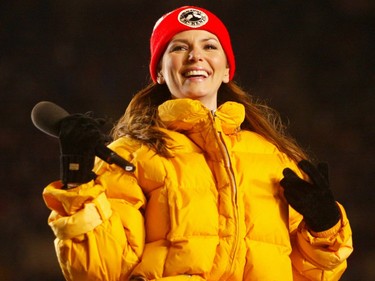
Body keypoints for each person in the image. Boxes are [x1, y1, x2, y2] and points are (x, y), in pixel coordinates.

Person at [42, 6, 353, 281]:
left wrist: (324, 228)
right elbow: (98, 272)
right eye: (179, 47)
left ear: (227, 69)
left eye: (209, 45)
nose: (196, 56)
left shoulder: (274, 158)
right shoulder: (130, 155)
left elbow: (312, 275)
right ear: (160, 73)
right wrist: (78, 183)